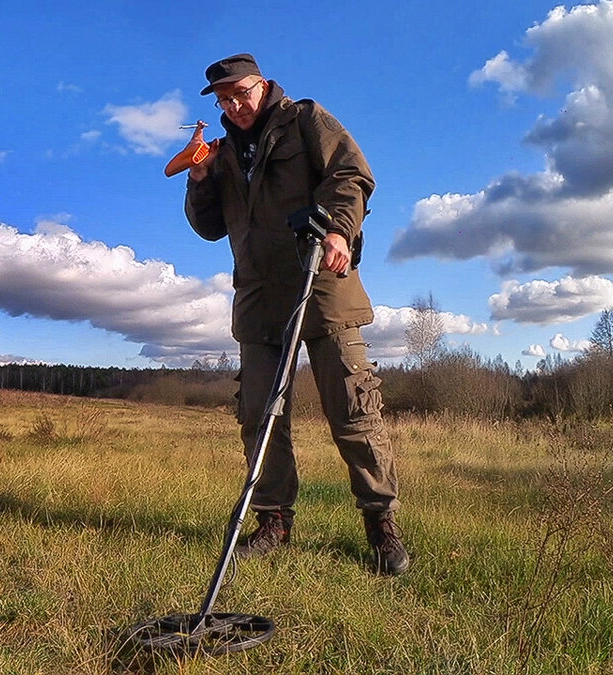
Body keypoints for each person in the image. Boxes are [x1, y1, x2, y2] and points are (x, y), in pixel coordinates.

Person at [183, 53, 409, 575]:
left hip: (324, 280)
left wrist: (338, 229)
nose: (234, 105)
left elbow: (351, 173)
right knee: (260, 416)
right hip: (260, 299)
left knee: (353, 409)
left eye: (241, 92)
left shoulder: (305, 119)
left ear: (261, 85)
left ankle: (380, 523)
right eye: (224, 98)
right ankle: (273, 521)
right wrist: (198, 181)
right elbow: (209, 227)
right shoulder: (220, 152)